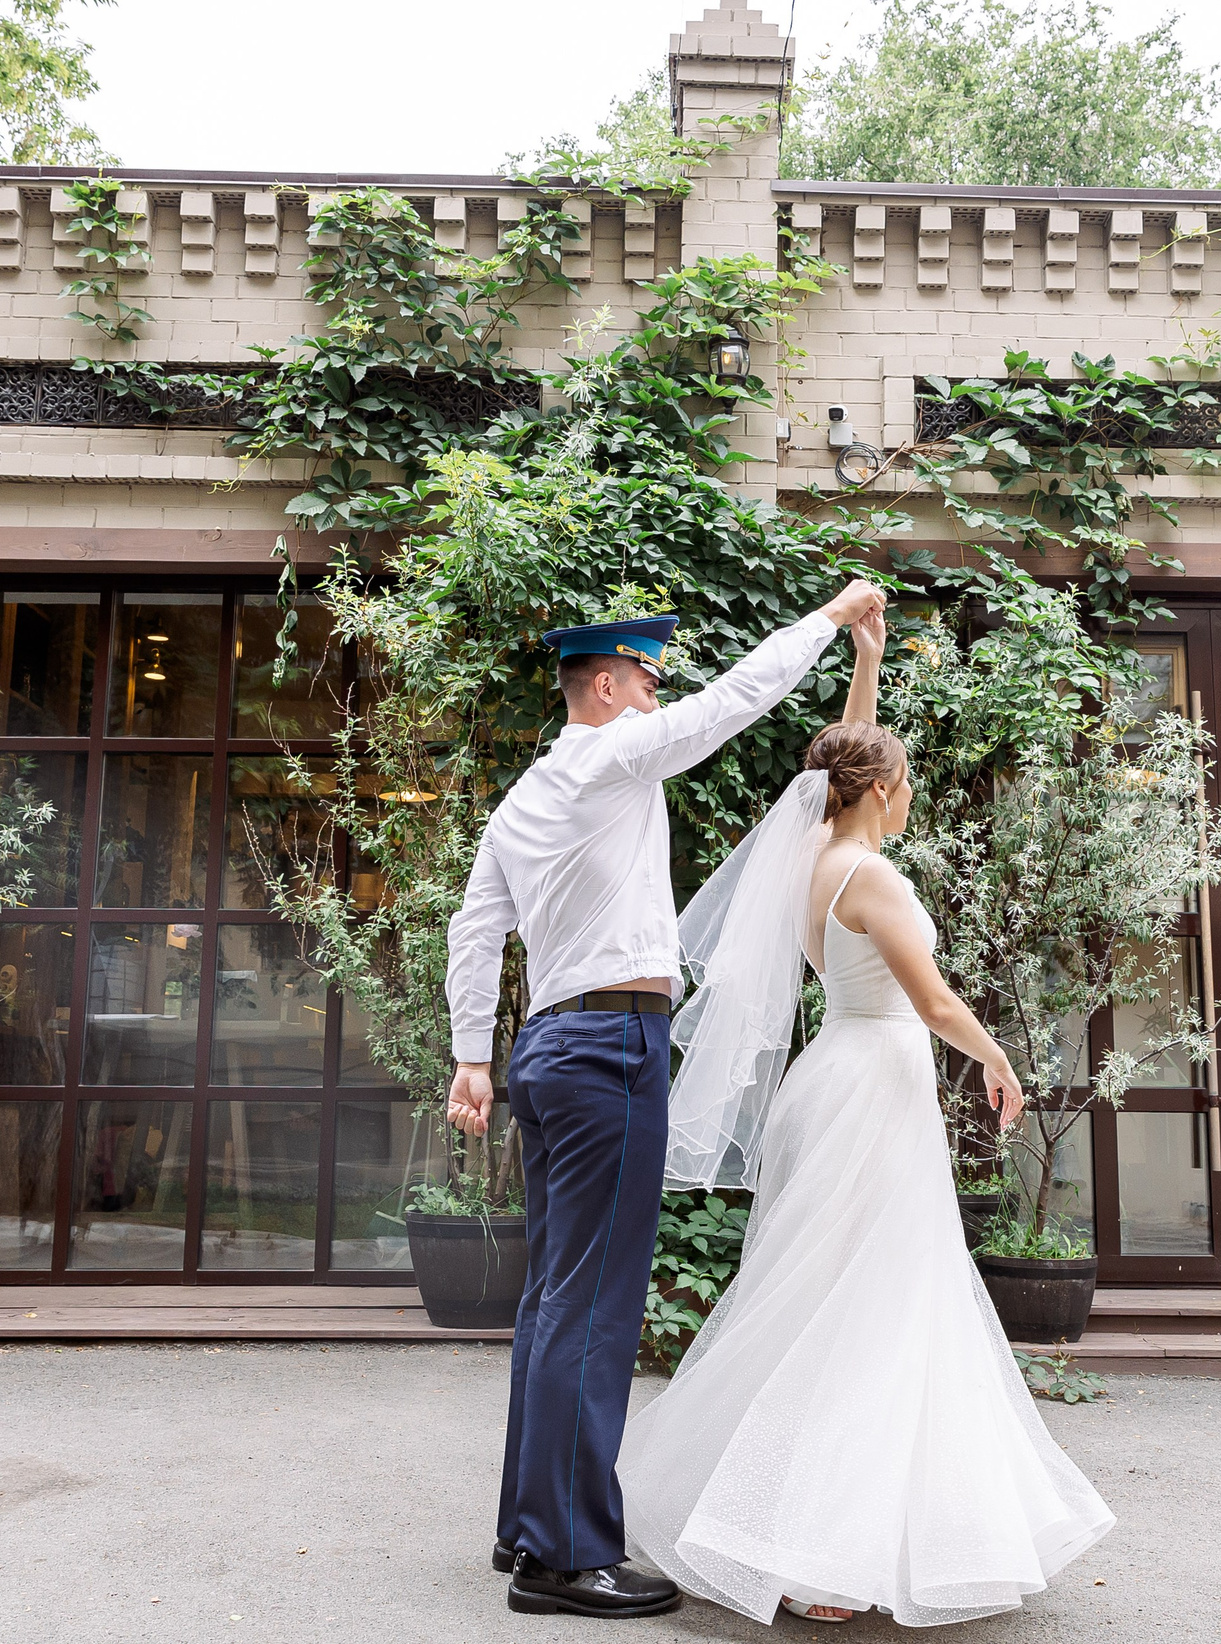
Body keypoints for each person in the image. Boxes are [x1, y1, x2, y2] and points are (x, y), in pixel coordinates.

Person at [613, 630, 1116, 1626]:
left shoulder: (812, 856)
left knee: (833, 1290)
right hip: (875, 1081)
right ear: (881, 790)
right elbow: (930, 1004)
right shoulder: (872, 878)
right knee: (866, 1299)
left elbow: (843, 744)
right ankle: (812, 1548)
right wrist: (998, 1056)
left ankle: (814, 1530)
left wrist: (868, 660)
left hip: (835, 1075)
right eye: (906, 777)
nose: (913, 789)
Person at [445, 580, 891, 1619]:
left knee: (556, 1297)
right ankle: (566, 1558)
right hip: (609, 1046)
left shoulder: (526, 797)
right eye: (647, 678)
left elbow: (475, 932)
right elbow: (734, 699)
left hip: (550, 1045)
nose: (659, 695)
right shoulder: (609, 752)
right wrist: (826, 620)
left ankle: (530, 1531)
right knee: (594, 1306)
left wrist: (474, 1054)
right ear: (605, 686)